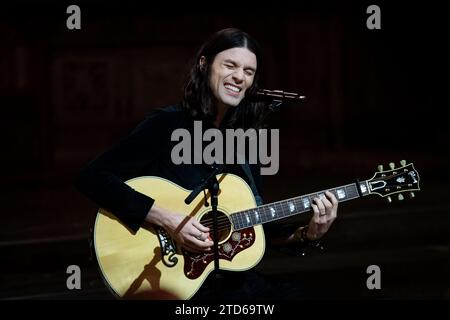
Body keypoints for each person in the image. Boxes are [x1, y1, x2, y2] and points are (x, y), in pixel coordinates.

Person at [75, 28, 338, 300]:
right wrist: (168, 219)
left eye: (249, 71)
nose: (239, 76)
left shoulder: (246, 141)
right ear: (204, 64)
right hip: (175, 279)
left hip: (229, 281)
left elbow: (253, 227)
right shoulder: (166, 125)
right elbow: (92, 177)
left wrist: (307, 233)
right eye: (230, 65)